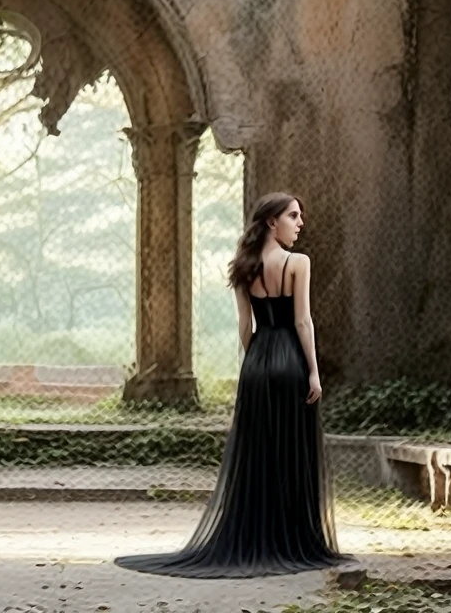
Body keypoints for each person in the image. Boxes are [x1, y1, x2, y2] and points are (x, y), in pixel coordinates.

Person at [116, 190, 345, 577]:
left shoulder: (243, 266)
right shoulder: (297, 263)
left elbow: (246, 326)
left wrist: (257, 359)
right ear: (273, 222)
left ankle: (254, 536)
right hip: (290, 360)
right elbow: (303, 322)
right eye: (293, 216)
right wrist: (313, 371)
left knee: (258, 453)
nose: (300, 223)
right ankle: (291, 539)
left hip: (256, 364)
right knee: (290, 451)